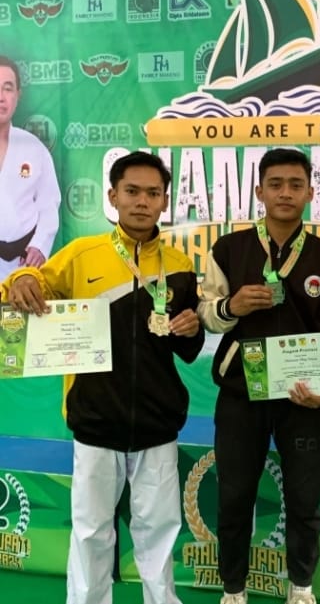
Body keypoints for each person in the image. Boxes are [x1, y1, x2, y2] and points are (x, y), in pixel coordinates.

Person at [2, 151, 205, 604]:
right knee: (91, 532)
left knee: (160, 533)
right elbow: (34, 280)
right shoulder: (81, 254)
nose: (142, 201)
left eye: (152, 193)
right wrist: (20, 280)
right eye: (132, 191)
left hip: (157, 424)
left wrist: (193, 328)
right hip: (95, 421)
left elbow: (188, 348)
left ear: (164, 201)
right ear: (113, 196)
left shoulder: (179, 265)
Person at [197, 147, 320, 604]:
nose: (285, 193)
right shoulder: (230, 250)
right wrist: (232, 307)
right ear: (259, 191)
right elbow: (206, 313)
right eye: (276, 184)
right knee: (234, 498)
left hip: (303, 399)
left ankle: (301, 587)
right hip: (240, 395)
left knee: (305, 501)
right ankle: (233, 589)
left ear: (310, 192)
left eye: (295, 184)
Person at [0, 54, 61, 280]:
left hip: (23, 264)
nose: (1, 97)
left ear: (18, 95)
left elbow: (49, 204)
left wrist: (40, 246)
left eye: (7, 88)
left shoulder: (33, 148)